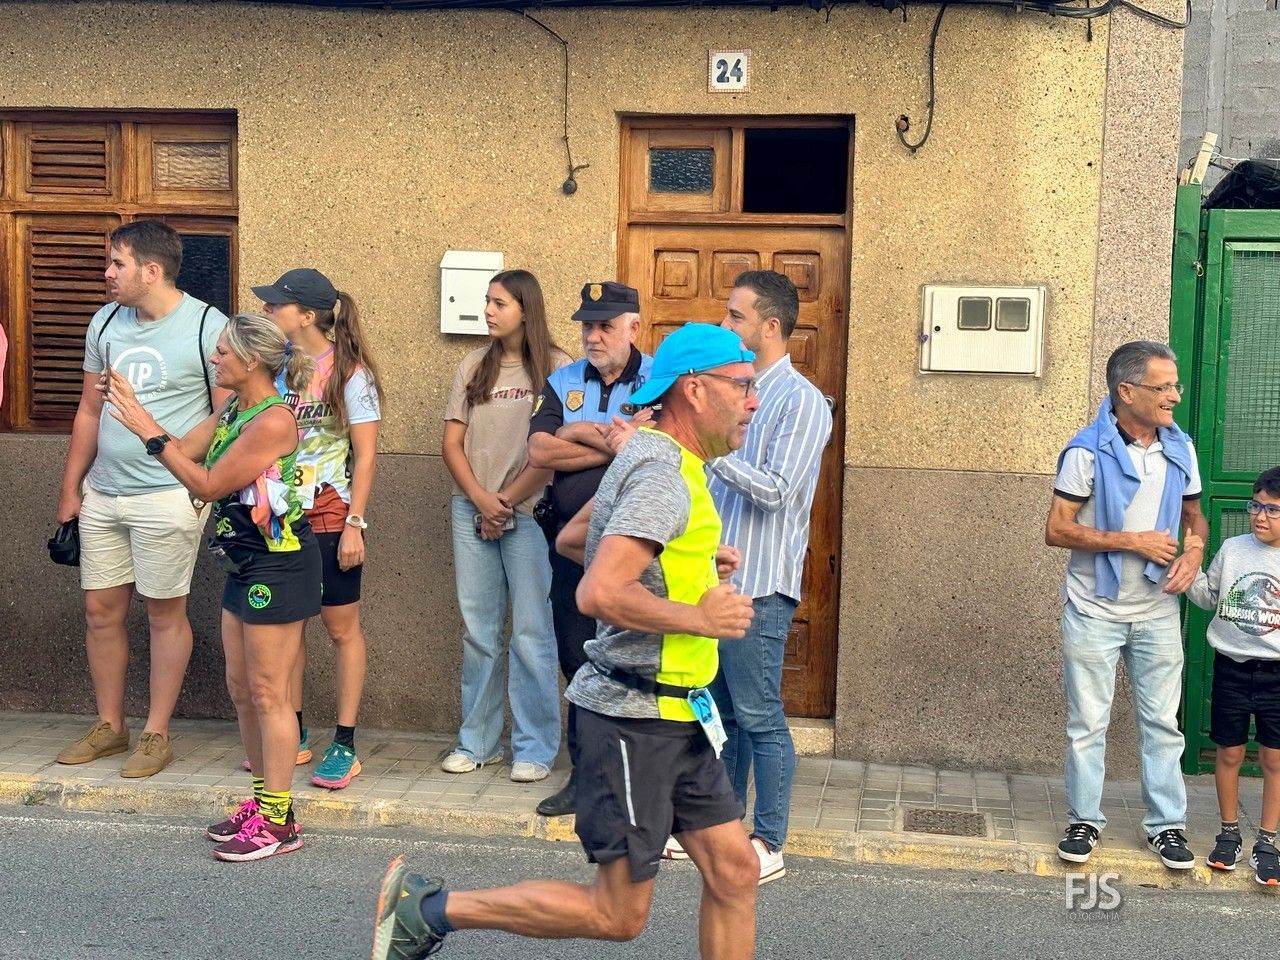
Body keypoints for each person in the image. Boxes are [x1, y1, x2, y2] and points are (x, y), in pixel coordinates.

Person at [371, 322, 761, 960]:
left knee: (735, 871)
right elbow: (597, 592)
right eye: (742, 385)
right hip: (634, 720)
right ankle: (428, 909)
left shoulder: (656, 457)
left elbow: (577, 539)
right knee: (617, 914)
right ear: (695, 389)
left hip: (680, 714)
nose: (753, 401)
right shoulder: (661, 476)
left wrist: (682, 564)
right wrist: (699, 616)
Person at [105, 313, 320, 861]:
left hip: (279, 565)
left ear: (251, 360)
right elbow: (185, 448)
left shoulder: (273, 421)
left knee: (269, 692)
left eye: (223, 351)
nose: (214, 357)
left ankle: (279, 822)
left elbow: (205, 482)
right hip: (243, 562)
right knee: (241, 687)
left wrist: (145, 428)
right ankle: (263, 802)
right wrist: (139, 414)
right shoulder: (233, 408)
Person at [54, 220, 229, 778]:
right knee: (100, 611)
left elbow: (225, 413)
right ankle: (111, 724)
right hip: (104, 492)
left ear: (151, 271)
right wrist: (71, 488)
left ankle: (156, 733)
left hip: (168, 494)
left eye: (117, 264)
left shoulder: (207, 325)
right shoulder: (106, 321)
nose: (107, 273)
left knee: (163, 612)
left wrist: (174, 455)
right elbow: (89, 410)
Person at [675, 270, 831, 884]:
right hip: (714, 582)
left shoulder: (801, 401)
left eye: (735, 316)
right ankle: (724, 830)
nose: (724, 324)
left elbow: (777, 490)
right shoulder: (731, 388)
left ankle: (770, 840)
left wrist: (712, 450)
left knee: (761, 715)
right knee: (726, 715)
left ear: (770, 326)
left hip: (761, 585)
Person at [1045, 340, 1208, 870]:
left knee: (1163, 724)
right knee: (1087, 724)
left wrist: (1194, 552)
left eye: (1175, 385)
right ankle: (1084, 820)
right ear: (1127, 391)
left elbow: (1194, 516)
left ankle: (1167, 826)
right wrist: (1131, 541)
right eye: (1164, 387)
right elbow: (1057, 529)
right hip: (1094, 610)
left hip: (1157, 610)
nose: (1175, 396)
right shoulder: (1085, 452)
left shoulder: (1180, 449)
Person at [525, 280, 653, 816]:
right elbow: (539, 449)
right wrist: (610, 441)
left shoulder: (658, 379)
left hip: (634, 550)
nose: (593, 336)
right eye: (587, 326)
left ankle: (636, 779)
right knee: (577, 657)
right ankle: (586, 778)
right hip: (570, 548)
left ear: (633, 327)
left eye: (605, 326)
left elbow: (653, 446)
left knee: (636, 661)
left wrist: (577, 433)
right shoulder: (563, 380)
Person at [255, 268, 384, 791]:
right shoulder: (274, 365)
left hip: (331, 513)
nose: (267, 311)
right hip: (279, 514)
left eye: (276, 305)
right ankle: (295, 732)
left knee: (340, 628)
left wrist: (355, 523)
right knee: (289, 627)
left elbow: (366, 454)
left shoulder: (350, 372)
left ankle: (345, 743)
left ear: (306, 315)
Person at [439, 269, 570, 782]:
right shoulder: (473, 365)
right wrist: (481, 500)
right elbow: (452, 442)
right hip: (471, 510)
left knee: (533, 632)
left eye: (499, 303)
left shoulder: (558, 367)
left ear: (525, 308)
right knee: (480, 632)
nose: (488, 311)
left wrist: (506, 503)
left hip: (532, 512)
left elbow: (554, 452)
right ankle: (477, 742)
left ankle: (534, 747)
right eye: (487, 302)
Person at [1184, 466, 1280, 885]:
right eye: (1255, 506)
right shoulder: (1233, 548)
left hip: (1277, 674)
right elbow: (1209, 596)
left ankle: (1268, 843)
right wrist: (1189, 565)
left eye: (1272, 509)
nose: (1260, 516)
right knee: (1229, 753)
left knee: (1274, 759)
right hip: (1232, 668)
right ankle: (1229, 835)